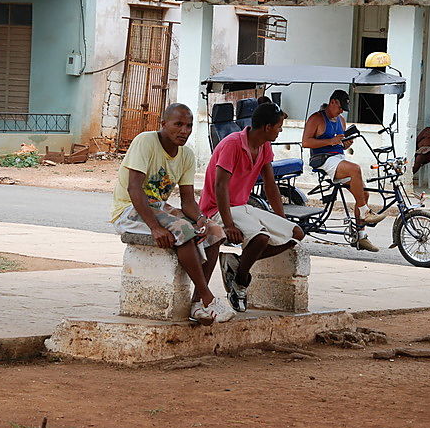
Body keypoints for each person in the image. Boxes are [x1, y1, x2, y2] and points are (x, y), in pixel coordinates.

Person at [110, 103, 235, 325]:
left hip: (159, 209)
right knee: (182, 229)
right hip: (130, 209)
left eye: (188, 125)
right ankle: (208, 297)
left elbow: (188, 200)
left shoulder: (186, 155)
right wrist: (155, 227)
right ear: (163, 124)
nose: (184, 131)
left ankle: (197, 304)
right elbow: (134, 188)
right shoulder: (145, 142)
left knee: (214, 231)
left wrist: (201, 219)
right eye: (178, 124)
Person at [200, 102, 305, 312]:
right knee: (260, 238)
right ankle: (240, 283)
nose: (280, 130)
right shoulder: (233, 144)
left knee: (295, 233)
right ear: (267, 127)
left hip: (242, 205)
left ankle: (237, 266)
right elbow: (220, 185)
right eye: (278, 126)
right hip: (217, 209)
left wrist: (281, 217)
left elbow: (270, 184)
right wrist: (228, 224)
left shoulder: (264, 146)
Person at [301, 89, 386, 253]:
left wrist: (346, 143)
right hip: (323, 159)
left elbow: (341, 143)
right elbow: (305, 142)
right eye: (340, 107)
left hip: (338, 158)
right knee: (355, 169)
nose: (341, 112)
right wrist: (330, 141)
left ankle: (361, 237)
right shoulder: (316, 118)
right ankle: (364, 212)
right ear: (333, 102)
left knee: (364, 193)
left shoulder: (340, 120)